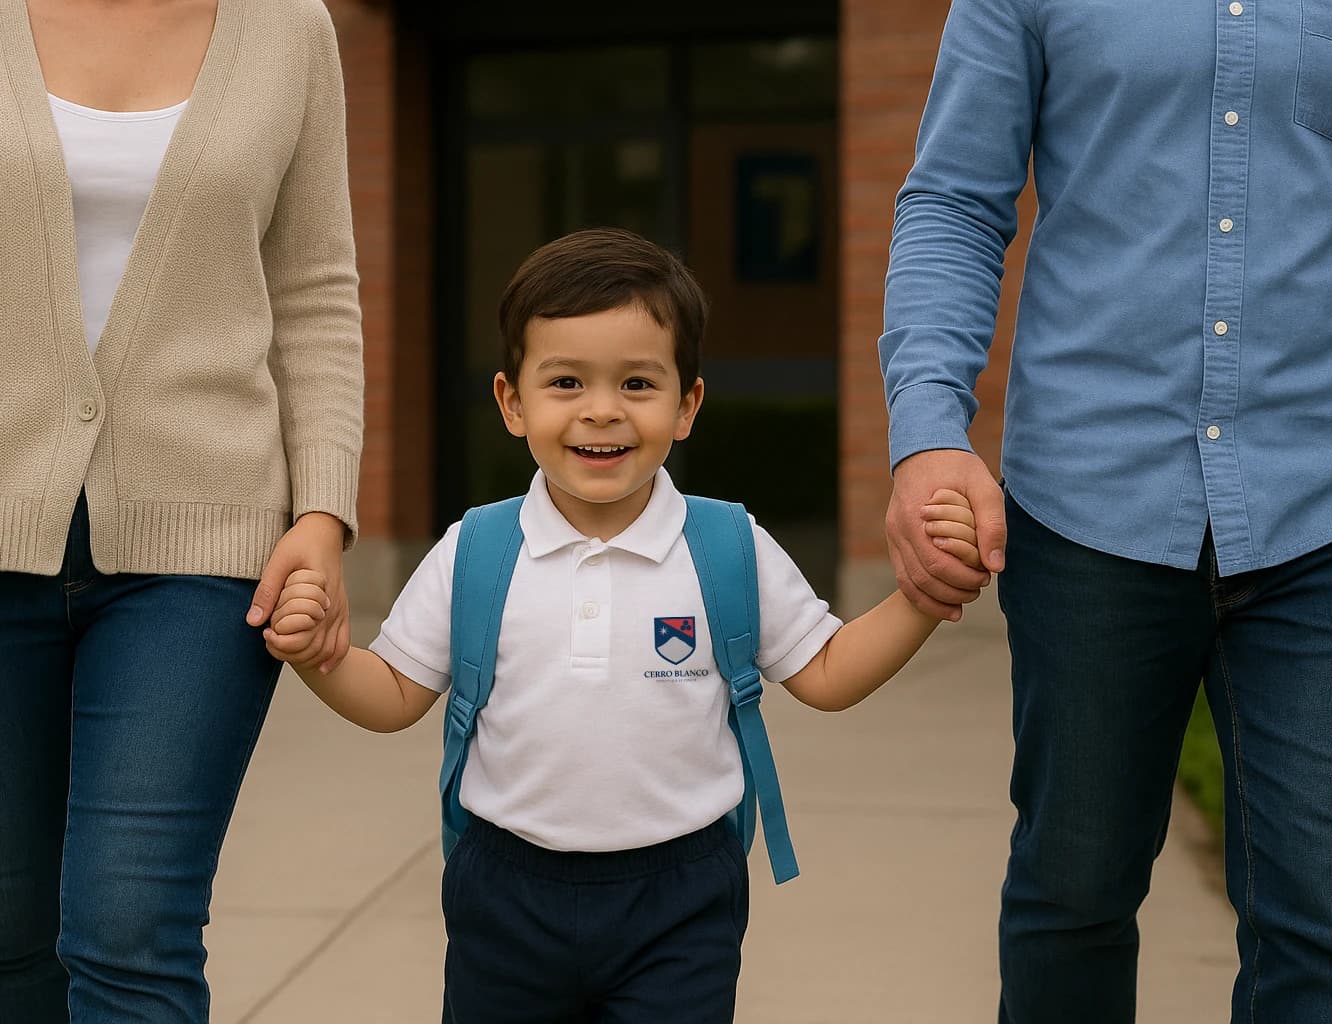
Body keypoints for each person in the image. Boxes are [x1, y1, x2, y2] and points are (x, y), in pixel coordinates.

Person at [264, 228, 978, 1022]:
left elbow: (830, 670)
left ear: (686, 405)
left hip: (681, 896)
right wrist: (316, 655)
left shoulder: (723, 544)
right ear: (512, 401)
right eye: (565, 381)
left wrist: (922, 597)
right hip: (507, 890)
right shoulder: (480, 548)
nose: (601, 410)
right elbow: (394, 691)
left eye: (638, 383)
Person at [0, 0, 361, 1020]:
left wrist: (322, 514)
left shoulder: (289, 30)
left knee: (131, 926)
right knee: (12, 932)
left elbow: (317, 289)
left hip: (207, 545)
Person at [880, 2, 1332, 1021]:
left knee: (1329, 917)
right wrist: (926, 431)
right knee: (1074, 897)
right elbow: (956, 200)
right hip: (1090, 497)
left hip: (1325, 502)